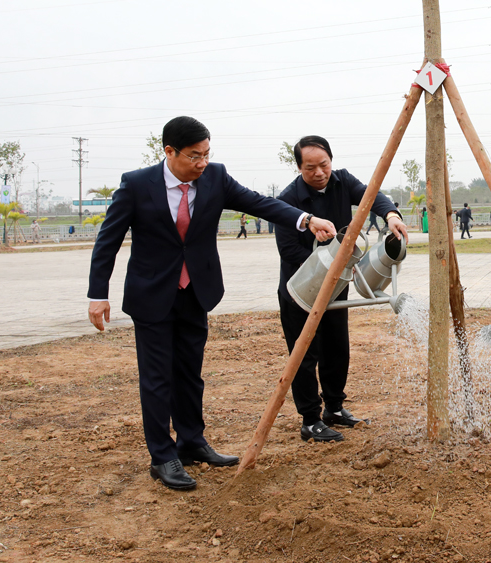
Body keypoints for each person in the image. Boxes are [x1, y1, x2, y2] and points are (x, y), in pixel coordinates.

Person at [87, 116, 327, 491]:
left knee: (189, 373)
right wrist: (98, 294)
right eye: (194, 156)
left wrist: (305, 219)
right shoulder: (136, 184)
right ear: (169, 152)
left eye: (206, 154)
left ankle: (192, 442)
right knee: (156, 379)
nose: (201, 162)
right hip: (151, 295)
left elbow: (259, 203)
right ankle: (162, 457)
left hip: (195, 291)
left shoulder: (215, 177)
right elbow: (108, 239)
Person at [275, 135, 407, 443]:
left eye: (324, 164)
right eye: (310, 168)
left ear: (331, 161)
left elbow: (372, 195)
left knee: (337, 347)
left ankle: (334, 407)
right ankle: (310, 419)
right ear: (299, 168)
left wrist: (390, 214)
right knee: (305, 353)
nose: (319, 172)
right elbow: (288, 251)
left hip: (337, 287)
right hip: (302, 289)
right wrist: (328, 262)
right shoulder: (288, 200)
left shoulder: (342, 181)